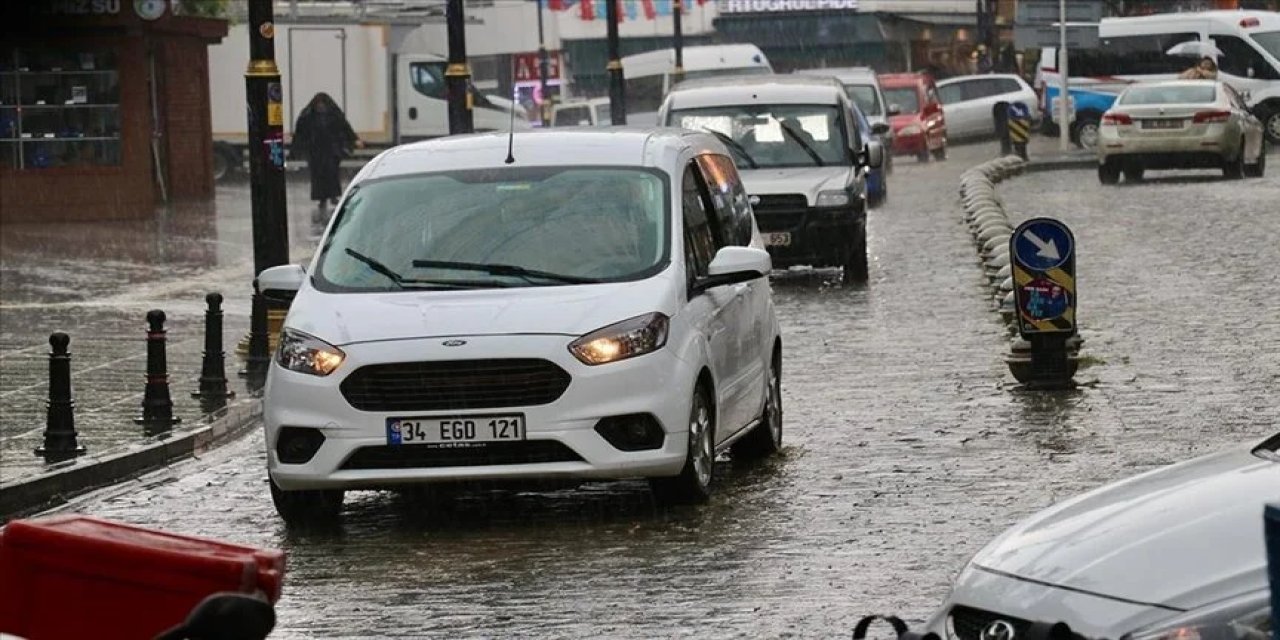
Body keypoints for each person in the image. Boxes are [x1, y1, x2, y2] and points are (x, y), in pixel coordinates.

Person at [291, 92, 363, 207]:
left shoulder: (333, 115)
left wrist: (353, 139)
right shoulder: (309, 116)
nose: (320, 106)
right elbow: (300, 133)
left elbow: (345, 127)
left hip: (330, 150)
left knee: (332, 174)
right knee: (319, 175)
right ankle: (322, 198)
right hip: (316, 151)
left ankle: (332, 196)